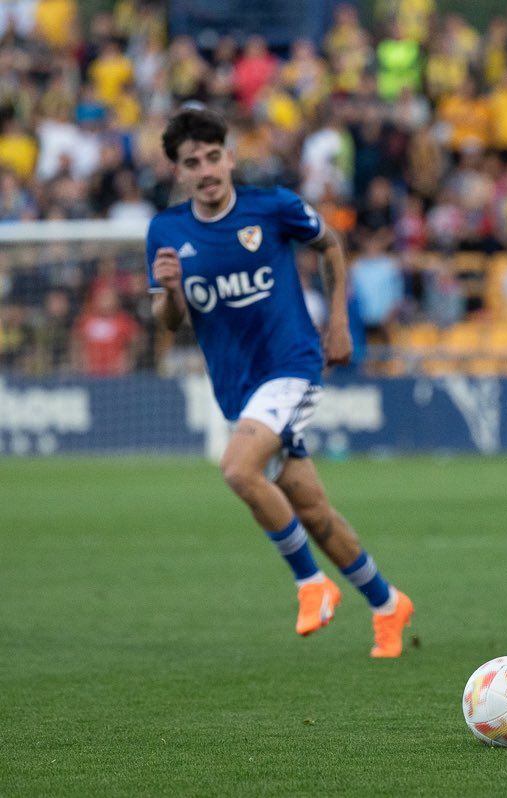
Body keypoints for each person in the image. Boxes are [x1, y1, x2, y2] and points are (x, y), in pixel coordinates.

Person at [145, 107, 413, 657]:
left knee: (237, 470)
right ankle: (388, 604)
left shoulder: (272, 207)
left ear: (230, 157)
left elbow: (331, 245)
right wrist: (169, 291)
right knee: (311, 510)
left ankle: (311, 583)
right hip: (237, 387)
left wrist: (339, 323)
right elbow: (169, 322)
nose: (206, 169)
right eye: (192, 162)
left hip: (291, 366)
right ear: (178, 172)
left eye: (213, 156)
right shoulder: (166, 231)